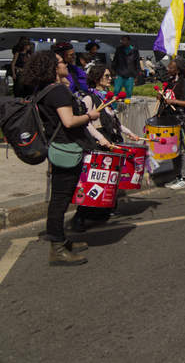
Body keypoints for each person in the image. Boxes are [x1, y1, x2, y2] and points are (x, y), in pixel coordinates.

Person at [23, 51, 100, 266]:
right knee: (60, 199)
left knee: (61, 197)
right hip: (67, 149)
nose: (65, 63)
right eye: (60, 62)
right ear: (53, 68)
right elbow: (68, 121)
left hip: (59, 147)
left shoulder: (47, 89)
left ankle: (61, 240)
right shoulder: (57, 91)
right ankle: (57, 247)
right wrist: (89, 116)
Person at [71, 64, 142, 231]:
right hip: (97, 144)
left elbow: (114, 122)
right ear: (97, 78)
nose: (111, 79)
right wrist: (101, 139)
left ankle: (100, 213)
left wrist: (130, 132)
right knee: (92, 182)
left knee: (106, 181)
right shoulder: (89, 98)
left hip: (110, 142)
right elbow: (86, 123)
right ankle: (79, 217)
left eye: (111, 76)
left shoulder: (107, 98)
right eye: (107, 76)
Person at [158, 58, 185, 190]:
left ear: (178, 70)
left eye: (171, 68)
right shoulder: (169, 83)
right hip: (170, 120)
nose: (168, 69)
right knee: (174, 149)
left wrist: (173, 102)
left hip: (182, 119)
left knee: (184, 149)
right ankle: (178, 175)